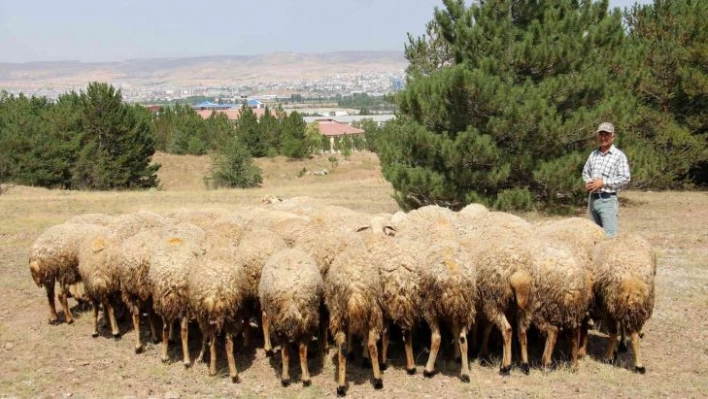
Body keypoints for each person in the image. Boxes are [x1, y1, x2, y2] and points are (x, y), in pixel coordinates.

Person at [582, 122, 631, 237]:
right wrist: (589, 182)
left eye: (607, 134)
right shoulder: (593, 154)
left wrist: (603, 183)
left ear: (613, 136)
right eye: (601, 134)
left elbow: (625, 177)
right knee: (595, 236)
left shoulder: (619, 156)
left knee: (609, 237)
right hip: (593, 200)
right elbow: (585, 171)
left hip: (607, 200)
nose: (603, 137)